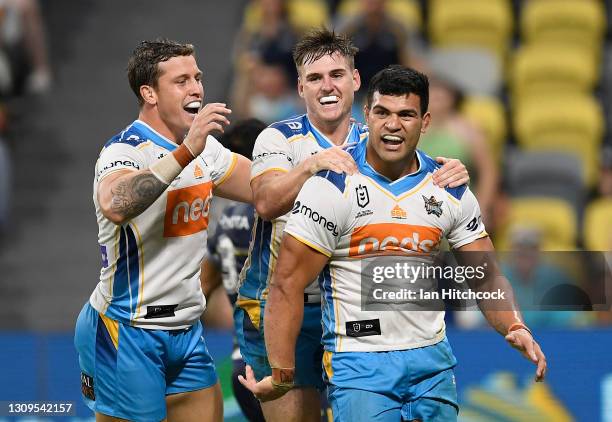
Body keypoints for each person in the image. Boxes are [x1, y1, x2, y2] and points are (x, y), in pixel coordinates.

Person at [240, 65, 547, 421]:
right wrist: (282, 372)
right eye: (382, 112)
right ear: (366, 115)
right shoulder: (331, 187)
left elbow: (486, 277)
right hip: (359, 366)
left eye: (406, 115)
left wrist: (514, 325)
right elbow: (286, 283)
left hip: (433, 365)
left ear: (425, 121)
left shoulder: (449, 188)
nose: (393, 125)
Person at [234, 29, 470, 422]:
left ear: (355, 81)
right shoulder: (279, 138)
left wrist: (452, 170)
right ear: (300, 88)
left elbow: (418, 182)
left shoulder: (375, 137)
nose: (327, 86)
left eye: (337, 75)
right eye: (314, 78)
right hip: (279, 306)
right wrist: (313, 165)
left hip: (351, 311)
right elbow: (266, 202)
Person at [73, 39, 252, 422]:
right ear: (149, 93)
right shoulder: (125, 150)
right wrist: (186, 150)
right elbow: (115, 204)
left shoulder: (206, 150)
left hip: (185, 331)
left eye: (198, 78)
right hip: (126, 329)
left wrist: (313, 163)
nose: (196, 89)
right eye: (182, 80)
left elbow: (263, 188)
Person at [200, 118, 266, 422]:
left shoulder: (225, 221)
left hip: (241, 362)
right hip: (279, 363)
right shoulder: (280, 214)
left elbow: (202, 287)